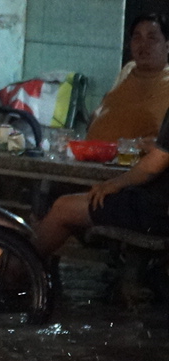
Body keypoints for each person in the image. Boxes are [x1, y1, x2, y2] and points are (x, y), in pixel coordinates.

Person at [33, 106, 169, 259]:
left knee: (63, 207)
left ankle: (14, 271)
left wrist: (114, 183)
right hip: (155, 205)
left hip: (156, 210)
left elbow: (153, 166)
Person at [84, 14, 169, 142]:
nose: (143, 45)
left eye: (152, 38)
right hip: (94, 153)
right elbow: (107, 104)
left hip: (136, 158)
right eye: (137, 37)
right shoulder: (129, 69)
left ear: (167, 46)